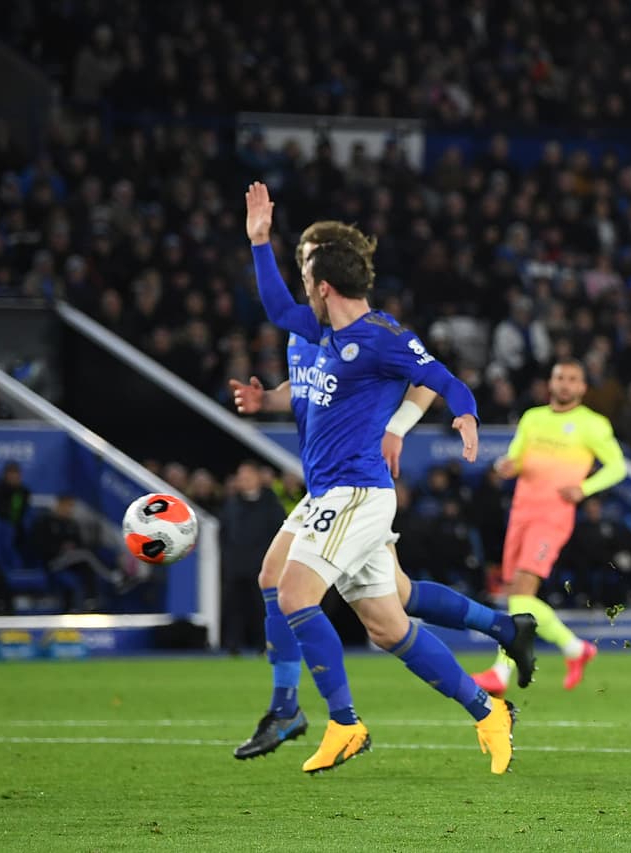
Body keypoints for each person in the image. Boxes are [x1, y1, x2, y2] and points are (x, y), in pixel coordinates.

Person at [246, 183, 525, 775]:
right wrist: (259, 242)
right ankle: (488, 710)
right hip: (332, 492)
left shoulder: (381, 337)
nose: (301, 287)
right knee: (387, 625)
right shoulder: (322, 332)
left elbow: (445, 379)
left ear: (324, 285)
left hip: (357, 493)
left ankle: (343, 723)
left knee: (293, 593)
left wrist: (466, 414)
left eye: (306, 275)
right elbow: (275, 310)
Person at [472, 359, 627, 697]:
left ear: (582, 387)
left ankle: (501, 671)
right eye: (560, 378)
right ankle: (575, 648)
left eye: (572, 379)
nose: (565, 384)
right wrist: (507, 466)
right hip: (520, 513)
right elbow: (515, 458)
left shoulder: (592, 424)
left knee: (522, 591)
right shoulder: (532, 417)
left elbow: (618, 467)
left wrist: (584, 489)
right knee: (517, 595)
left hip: (552, 516)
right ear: (551, 383)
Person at [218, 460, 287, 654]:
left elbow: (279, 535)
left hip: (263, 567)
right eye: (241, 477)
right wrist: (228, 560)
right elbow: (224, 535)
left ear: (258, 477)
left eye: (248, 477)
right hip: (236, 567)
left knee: (262, 608)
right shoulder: (231, 504)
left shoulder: (272, 504)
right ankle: (232, 645)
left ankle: (265, 645)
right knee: (234, 607)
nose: (244, 481)